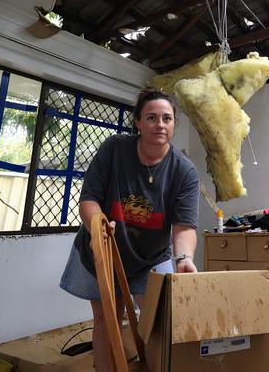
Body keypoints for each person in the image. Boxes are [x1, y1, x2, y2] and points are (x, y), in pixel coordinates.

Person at [59, 88, 199, 371]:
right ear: (137, 122)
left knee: (160, 323)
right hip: (103, 250)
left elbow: (183, 226)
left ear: (173, 124)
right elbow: (89, 199)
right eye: (151, 117)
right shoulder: (115, 148)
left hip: (151, 257)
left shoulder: (184, 171)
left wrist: (184, 259)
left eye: (167, 118)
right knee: (108, 319)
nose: (160, 124)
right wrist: (98, 227)